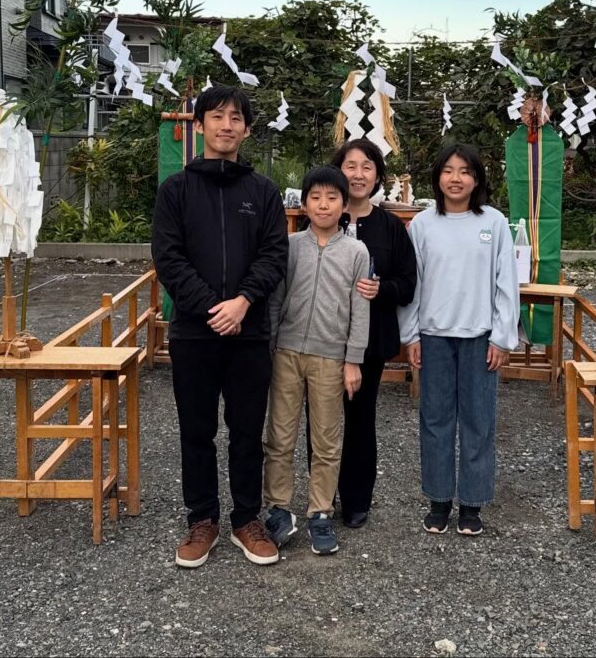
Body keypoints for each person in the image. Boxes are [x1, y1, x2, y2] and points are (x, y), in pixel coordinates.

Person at [152, 84, 288, 569]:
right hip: (194, 332)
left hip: (249, 333)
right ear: (200, 124)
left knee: (247, 430)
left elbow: (274, 255)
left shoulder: (263, 192)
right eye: (217, 116)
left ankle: (246, 519)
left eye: (236, 118)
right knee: (197, 430)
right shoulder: (176, 190)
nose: (226, 125)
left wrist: (243, 303)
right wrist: (214, 308)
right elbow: (169, 259)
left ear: (247, 129)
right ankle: (202, 519)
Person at [398, 143, 519, 537]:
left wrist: (502, 337)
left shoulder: (494, 222)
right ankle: (438, 499)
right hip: (433, 337)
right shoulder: (423, 224)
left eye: (465, 171)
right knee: (435, 420)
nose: (455, 178)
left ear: (477, 178)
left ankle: (471, 503)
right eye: (448, 170)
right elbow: (413, 284)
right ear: (437, 178)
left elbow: (506, 283)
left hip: (480, 338)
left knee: (478, 421)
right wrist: (411, 334)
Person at [305, 138, 416, 529]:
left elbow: (408, 284)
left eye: (367, 167)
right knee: (319, 420)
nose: (358, 174)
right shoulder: (320, 220)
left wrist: (381, 288)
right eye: (350, 165)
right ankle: (322, 499)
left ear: (377, 176)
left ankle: (356, 500)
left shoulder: (390, 227)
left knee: (360, 419)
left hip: (370, 341)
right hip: (321, 339)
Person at [264, 166, 371, 555]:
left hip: (331, 357)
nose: (323, 205)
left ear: (344, 204)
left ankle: (320, 512)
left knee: (326, 440)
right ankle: (277, 509)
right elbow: (275, 300)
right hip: (286, 353)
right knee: (279, 436)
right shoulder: (291, 246)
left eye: (331, 197)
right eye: (315, 197)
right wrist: (269, 347)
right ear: (304, 204)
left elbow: (360, 309)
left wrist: (353, 360)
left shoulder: (357, 252)